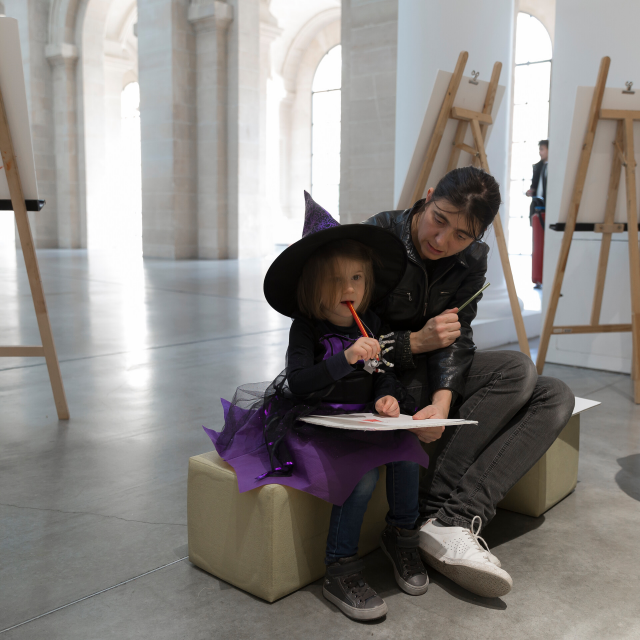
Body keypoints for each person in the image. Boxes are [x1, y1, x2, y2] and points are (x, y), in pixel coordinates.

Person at [205, 192, 431, 622]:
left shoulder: (374, 324)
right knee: (361, 479)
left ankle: (403, 538)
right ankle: (340, 568)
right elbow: (299, 383)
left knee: (407, 455)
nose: (349, 290)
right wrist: (344, 358)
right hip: (314, 423)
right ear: (313, 285)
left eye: (358, 279)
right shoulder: (306, 328)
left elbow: (381, 371)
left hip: (360, 420)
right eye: (335, 281)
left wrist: (386, 393)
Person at [364, 166, 574, 599]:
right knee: (518, 370)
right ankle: (437, 514)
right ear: (427, 197)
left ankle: (452, 519)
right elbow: (347, 343)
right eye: (439, 219)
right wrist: (411, 344)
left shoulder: (471, 260)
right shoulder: (377, 238)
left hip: (427, 383)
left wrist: (442, 406)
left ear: (477, 237)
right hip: (380, 385)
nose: (442, 241)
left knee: (552, 391)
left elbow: (457, 342)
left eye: (461, 235)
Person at [526, 139, 548, 287]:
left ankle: (544, 277)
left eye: (543, 149)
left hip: (548, 209)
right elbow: (535, 186)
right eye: (539, 149)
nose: (540, 152)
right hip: (538, 208)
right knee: (537, 244)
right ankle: (538, 278)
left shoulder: (553, 167)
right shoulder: (538, 167)